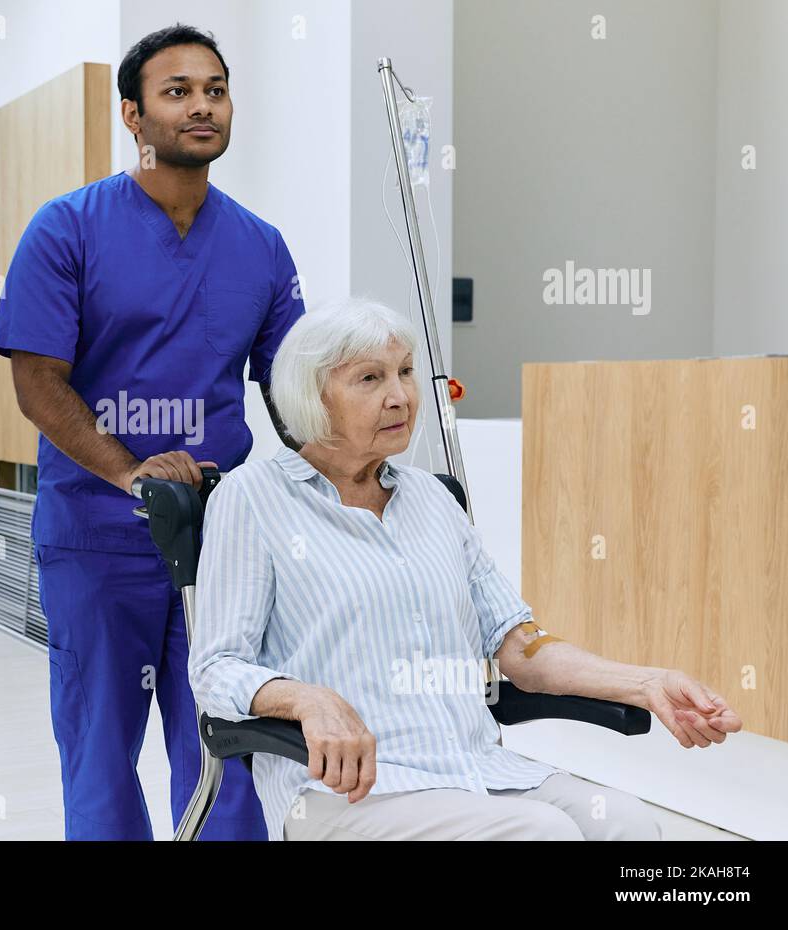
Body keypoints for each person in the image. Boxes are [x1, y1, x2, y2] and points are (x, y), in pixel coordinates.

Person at [189, 297, 743, 841]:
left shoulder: (432, 498)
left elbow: (519, 646)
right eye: (370, 379)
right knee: (541, 834)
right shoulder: (253, 498)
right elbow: (217, 666)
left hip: (476, 771)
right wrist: (307, 698)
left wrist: (646, 684)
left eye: (406, 372)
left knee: (625, 823)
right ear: (314, 395)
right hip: (352, 791)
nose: (400, 396)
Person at [0, 23, 305, 840]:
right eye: (177, 91)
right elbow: (37, 382)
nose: (202, 106)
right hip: (100, 537)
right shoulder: (67, 229)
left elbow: (294, 387)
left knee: (229, 748)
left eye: (216, 89)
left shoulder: (261, 247)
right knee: (100, 754)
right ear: (133, 114)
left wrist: (376, 400)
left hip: (223, 538)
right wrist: (129, 474)